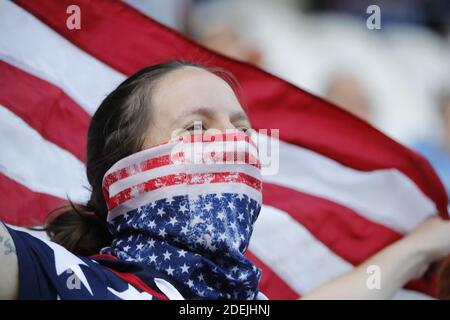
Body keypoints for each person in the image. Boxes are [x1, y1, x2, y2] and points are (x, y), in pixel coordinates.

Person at [1, 61, 450, 300]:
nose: (233, 145)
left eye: (242, 131)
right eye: (196, 129)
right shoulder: (67, 278)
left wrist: (420, 246)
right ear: (128, 175)